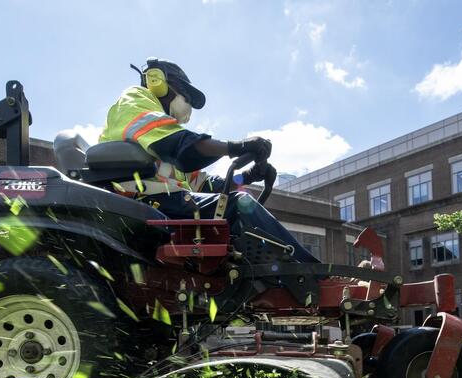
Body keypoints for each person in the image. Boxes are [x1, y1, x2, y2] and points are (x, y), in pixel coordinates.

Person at [97, 57, 319, 263]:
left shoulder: (162, 142)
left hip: (168, 204)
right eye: (186, 95)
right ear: (157, 81)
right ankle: (316, 280)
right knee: (241, 207)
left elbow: (209, 186)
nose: (188, 106)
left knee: (237, 203)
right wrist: (237, 147)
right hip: (141, 203)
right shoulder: (135, 99)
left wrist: (250, 176)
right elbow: (183, 147)